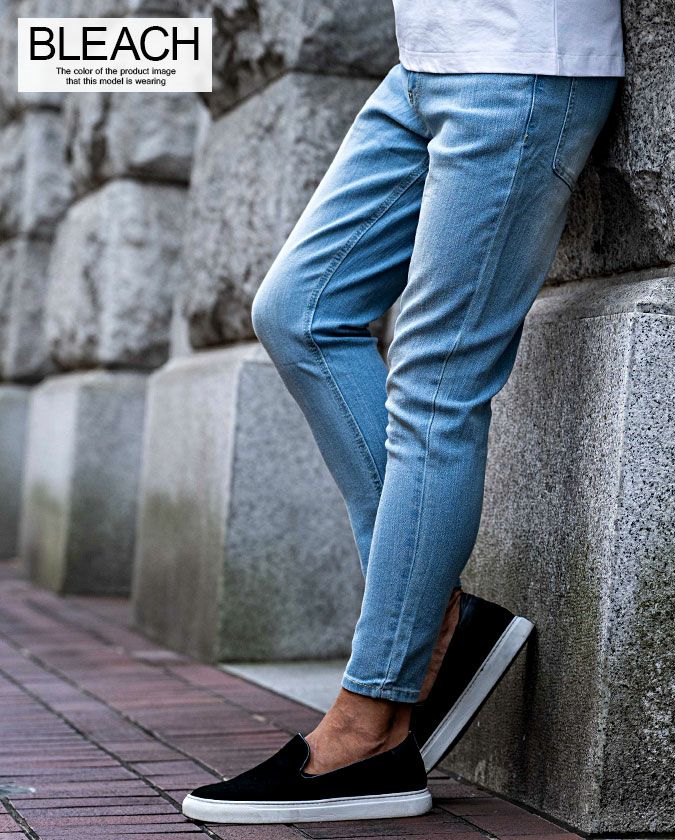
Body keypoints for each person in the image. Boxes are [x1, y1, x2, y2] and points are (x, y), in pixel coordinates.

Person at [183, 0, 624, 825]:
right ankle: (434, 622)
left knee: (435, 386)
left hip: (522, 64)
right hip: (425, 60)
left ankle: (371, 727)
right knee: (299, 313)